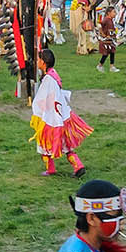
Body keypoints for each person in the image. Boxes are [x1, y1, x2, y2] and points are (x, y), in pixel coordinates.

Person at [29, 48, 90, 177]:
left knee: (43, 142)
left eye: (39, 59)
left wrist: (38, 108)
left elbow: (44, 98)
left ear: (44, 62)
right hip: (61, 115)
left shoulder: (48, 79)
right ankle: (78, 165)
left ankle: (50, 169)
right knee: (66, 144)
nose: (37, 61)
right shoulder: (53, 74)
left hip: (52, 117)